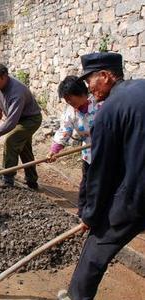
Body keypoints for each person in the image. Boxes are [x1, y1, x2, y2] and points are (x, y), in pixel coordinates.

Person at [58, 52, 145, 300]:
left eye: (90, 80)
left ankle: (77, 296)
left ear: (106, 76)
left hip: (138, 193)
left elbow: (102, 170)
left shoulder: (110, 111)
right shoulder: (140, 89)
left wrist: (91, 214)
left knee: (97, 246)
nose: (88, 87)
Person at [46, 76, 103, 217]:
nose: (69, 102)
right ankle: (82, 214)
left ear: (82, 93)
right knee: (86, 184)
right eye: (66, 100)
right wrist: (54, 150)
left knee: (103, 184)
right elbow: (64, 130)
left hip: (107, 151)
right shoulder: (70, 112)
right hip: (88, 153)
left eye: (70, 98)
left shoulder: (100, 104)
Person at [0, 62, 42, 189]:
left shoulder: (17, 92)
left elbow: (11, 123)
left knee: (11, 140)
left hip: (30, 119)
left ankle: (7, 179)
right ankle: (32, 181)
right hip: (19, 118)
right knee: (24, 148)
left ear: (4, 76)